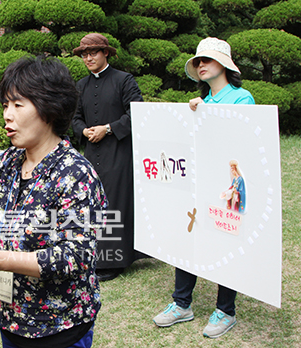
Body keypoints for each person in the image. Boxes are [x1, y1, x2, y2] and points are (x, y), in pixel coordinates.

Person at [0, 56, 106, 348]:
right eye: (4, 106)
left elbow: (76, 256)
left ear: (49, 109)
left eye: (17, 105)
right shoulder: (9, 161)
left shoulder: (76, 173)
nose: (7, 116)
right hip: (12, 319)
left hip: (60, 328)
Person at [153, 37, 255, 338]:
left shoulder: (242, 98)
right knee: (188, 239)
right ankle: (181, 304)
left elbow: (240, 141)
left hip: (225, 185)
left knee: (226, 242)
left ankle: (226, 310)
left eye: (206, 60)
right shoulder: (201, 103)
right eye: (197, 61)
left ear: (224, 65)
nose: (200, 65)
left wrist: (205, 114)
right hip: (197, 183)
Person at [72, 33, 145, 282]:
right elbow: (74, 117)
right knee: (93, 204)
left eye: (93, 52)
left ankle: (116, 260)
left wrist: (109, 128)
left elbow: (137, 113)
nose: (88, 57)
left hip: (119, 152)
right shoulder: (80, 86)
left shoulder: (124, 80)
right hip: (91, 154)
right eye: (84, 54)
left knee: (116, 203)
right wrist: (83, 130)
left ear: (106, 53)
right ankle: (95, 257)